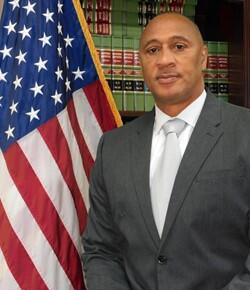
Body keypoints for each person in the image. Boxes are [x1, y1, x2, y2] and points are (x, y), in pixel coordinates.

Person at [82, 12, 250, 290]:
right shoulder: (113, 147)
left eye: (179, 46)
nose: (164, 60)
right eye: (152, 50)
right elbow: (102, 250)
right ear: (141, 64)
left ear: (204, 58)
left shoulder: (244, 132)